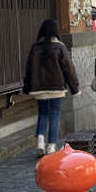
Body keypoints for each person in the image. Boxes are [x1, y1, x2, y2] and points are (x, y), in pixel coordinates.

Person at [23, 18, 79, 157]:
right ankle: (51, 147)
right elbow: (69, 69)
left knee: (43, 114)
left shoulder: (35, 48)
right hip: (56, 88)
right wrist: (74, 88)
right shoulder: (60, 47)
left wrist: (27, 87)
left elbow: (28, 69)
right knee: (54, 116)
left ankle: (40, 140)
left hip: (39, 88)